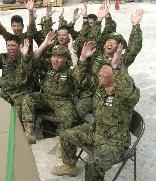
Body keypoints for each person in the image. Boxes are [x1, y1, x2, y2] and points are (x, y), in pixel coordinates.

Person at [51, 40, 140, 180]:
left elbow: (130, 92)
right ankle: (70, 166)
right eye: (100, 69)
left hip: (114, 141)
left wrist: (117, 67)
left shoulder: (125, 94)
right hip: (97, 130)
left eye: (105, 70)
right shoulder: (99, 87)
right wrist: (82, 59)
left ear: (115, 75)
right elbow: (80, 78)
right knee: (66, 134)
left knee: (93, 165)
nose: (100, 72)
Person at [21, 32, 79, 143]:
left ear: (66, 59)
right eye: (53, 56)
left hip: (62, 101)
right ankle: (29, 133)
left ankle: (64, 143)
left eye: (59, 57)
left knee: (69, 116)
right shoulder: (48, 66)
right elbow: (33, 59)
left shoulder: (70, 70)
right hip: (46, 97)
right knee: (28, 98)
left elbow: (79, 71)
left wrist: (71, 51)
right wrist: (45, 44)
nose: (55, 60)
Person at [0, 31, 35, 127]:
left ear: (19, 46)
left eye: (13, 45)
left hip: (22, 93)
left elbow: (29, 72)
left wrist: (24, 57)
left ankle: (21, 133)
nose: (10, 48)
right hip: (7, 92)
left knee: (18, 115)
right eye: (8, 45)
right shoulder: (3, 57)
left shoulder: (26, 57)